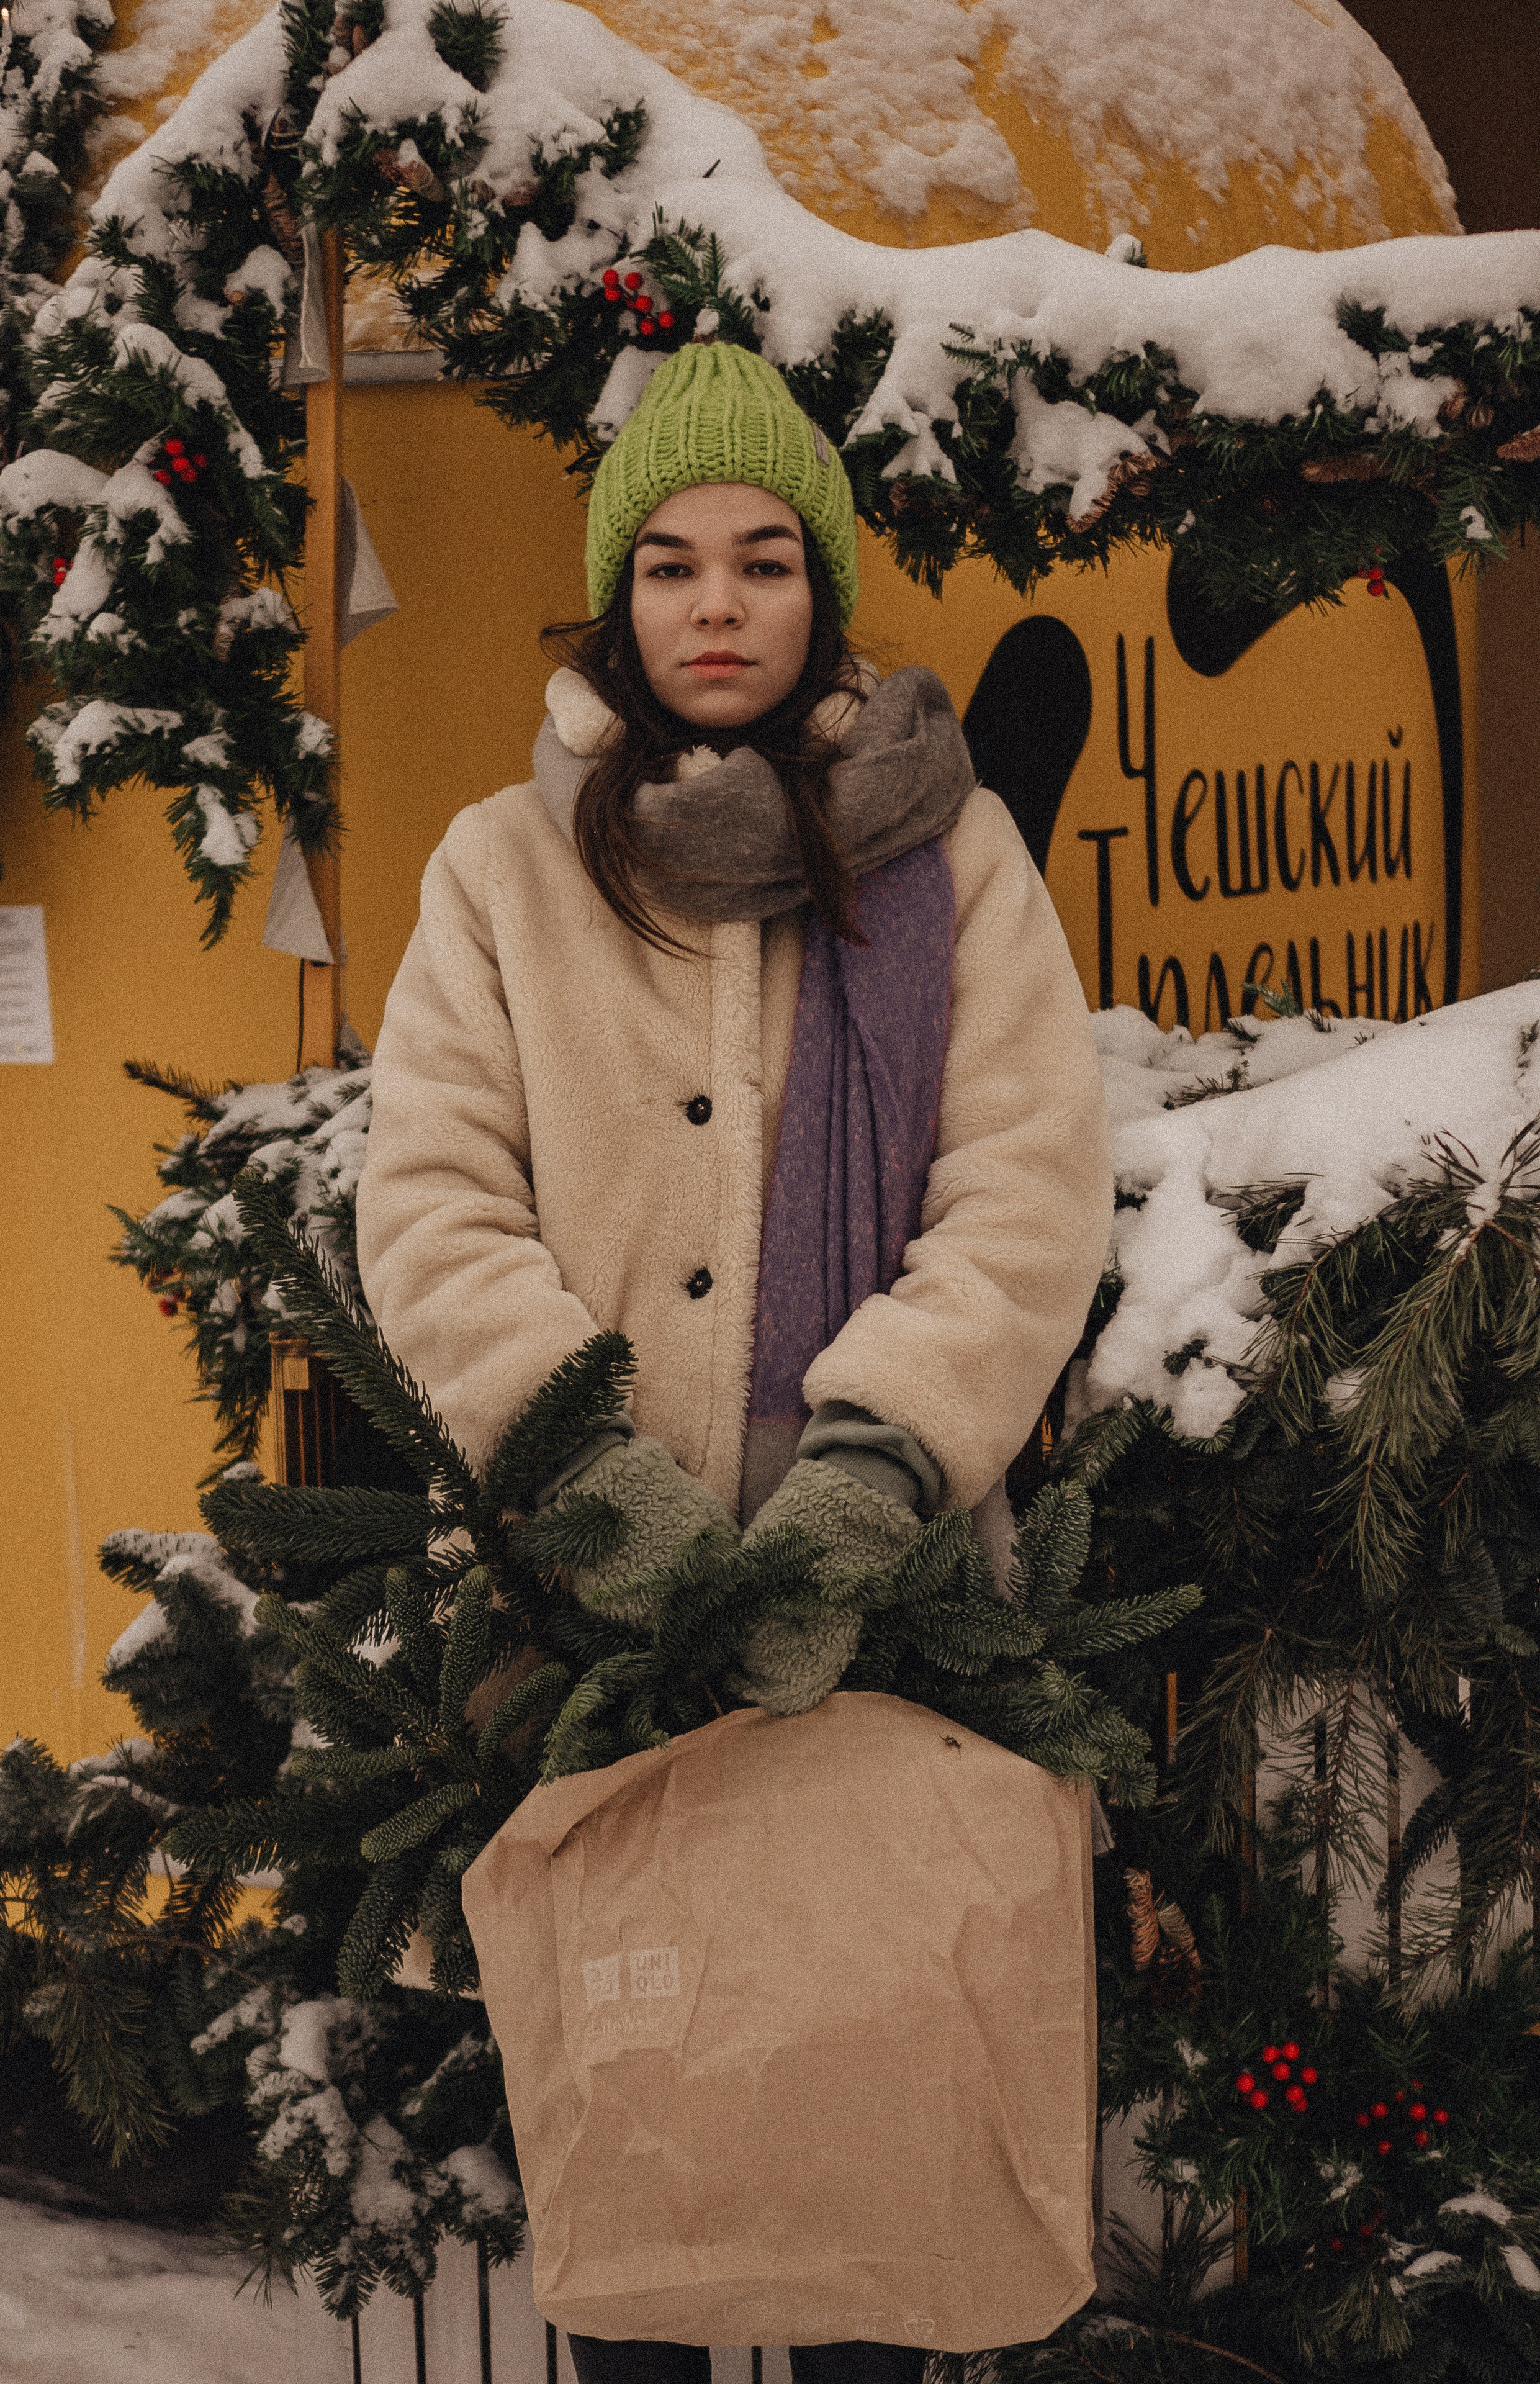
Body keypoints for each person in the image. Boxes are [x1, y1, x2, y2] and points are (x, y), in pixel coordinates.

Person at [356, 339, 1114, 2384]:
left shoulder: (950, 864)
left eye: (763, 560)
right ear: (619, 597)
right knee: (646, 2175)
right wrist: (591, 1481)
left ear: (821, 591)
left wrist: (878, 1472)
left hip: (896, 1608)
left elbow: (1029, 1187)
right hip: (587, 1629)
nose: (717, 605)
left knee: (871, 2178)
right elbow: (430, 1203)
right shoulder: (501, 873)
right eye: (674, 563)